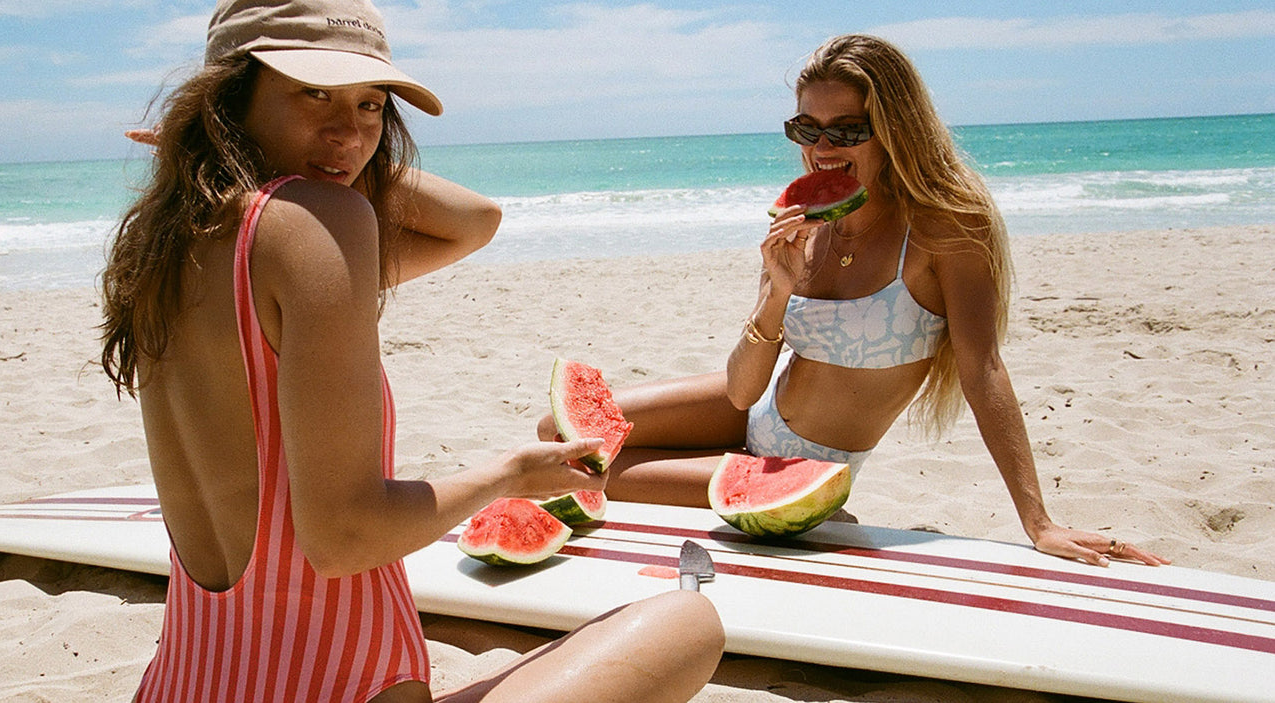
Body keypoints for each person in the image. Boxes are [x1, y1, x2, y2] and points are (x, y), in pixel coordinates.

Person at [100, 1, 723, 701]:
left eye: (370, 103)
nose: (349, 131)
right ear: (231, 95)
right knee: (687, 621)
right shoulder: (317, 225)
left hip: (184, 683)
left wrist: (212, 148)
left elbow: (473, 223)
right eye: (313, 93)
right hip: (336, 689)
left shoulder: (160, 246)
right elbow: (345, 536)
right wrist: (507, 473)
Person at [538, 34, 1168, 569]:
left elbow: (984, 369)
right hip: (753, 407)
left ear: (894, 129)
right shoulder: (806, 219)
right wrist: (777, 289)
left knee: (564, 472)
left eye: (847, 130)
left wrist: (1039, 521)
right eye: (807, 128)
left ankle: (809, 512)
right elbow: (739, 389)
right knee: (556, 434)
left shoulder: (945, 228)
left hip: (806, 466)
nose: (822, 148)